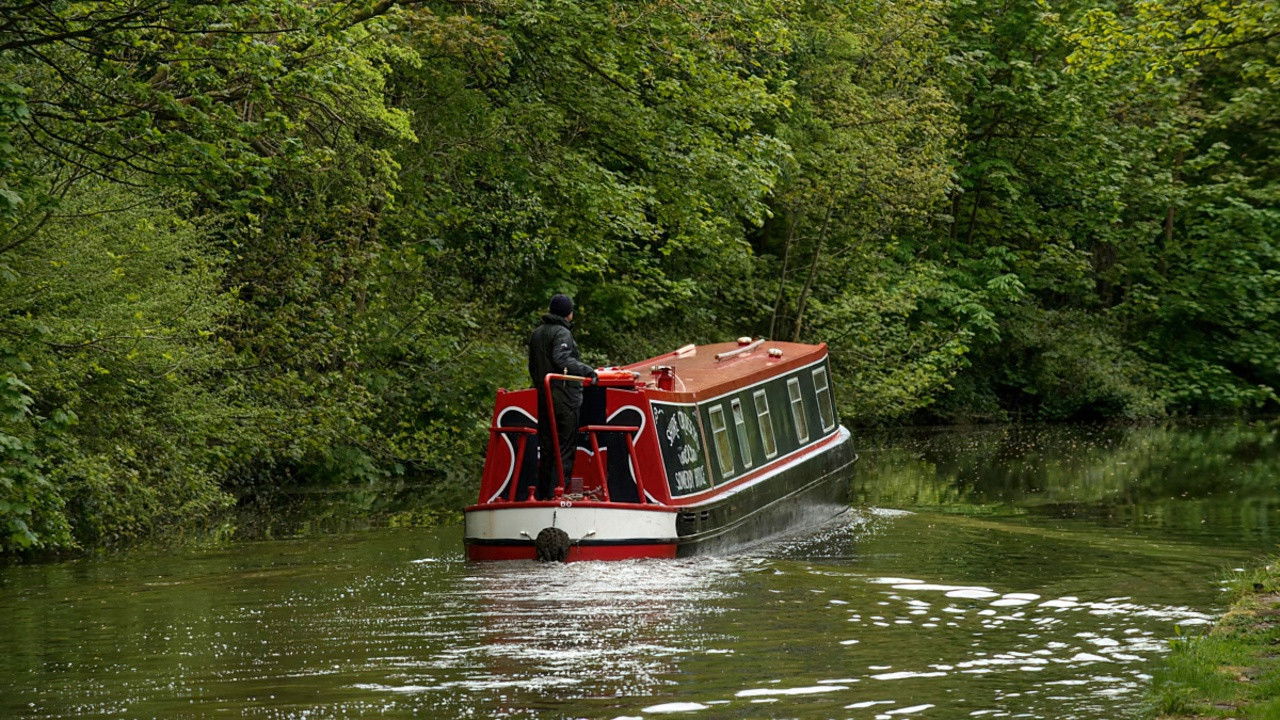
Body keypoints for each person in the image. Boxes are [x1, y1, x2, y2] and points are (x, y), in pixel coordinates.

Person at [528, 294, 597, 499]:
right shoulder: (562, 333)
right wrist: (587, 371)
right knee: (565, 446)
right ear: (569, 313)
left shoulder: (537, 333)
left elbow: (532, 365)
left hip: (544, 395)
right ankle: (560, 492)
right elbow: (561, 358)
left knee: (547, 447)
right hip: (564, 396)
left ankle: (543, 494)